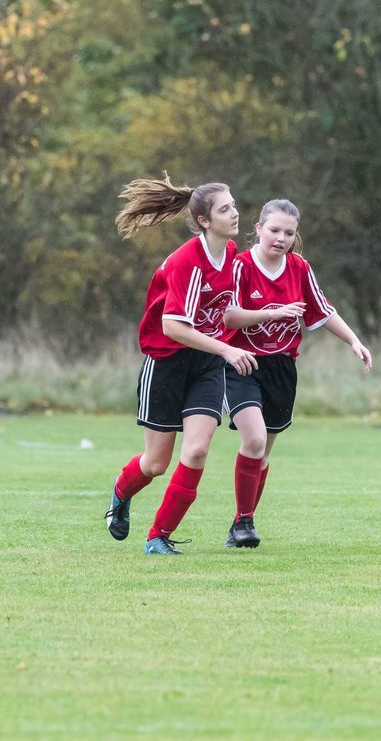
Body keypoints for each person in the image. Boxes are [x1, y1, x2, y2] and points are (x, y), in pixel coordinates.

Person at [104, 175, 257, 555]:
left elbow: (225, 312)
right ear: (204, 221)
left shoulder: (230, 253)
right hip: (167, 362)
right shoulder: (189, 261)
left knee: (197, 451)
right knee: (155, 463)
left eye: (234, 205)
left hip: (205, 364)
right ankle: (121, 493)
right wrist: (226, 350)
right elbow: (173, 327)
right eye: (225, 209)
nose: (235, 213)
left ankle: (158, 536)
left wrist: (271, 314)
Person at [221, 199, 372, 548]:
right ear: (258, 229)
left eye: (289, 233)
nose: (281, 238)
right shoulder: (240, 266)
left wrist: (354, 341)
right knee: (254, 440)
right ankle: (245, 522)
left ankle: (240, 524)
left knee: (265, 452)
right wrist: (272, 315)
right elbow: (228, 317)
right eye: (274, 230)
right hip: (242, 363)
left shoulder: (299, 268)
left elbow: (322, 311)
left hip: (282, 369)